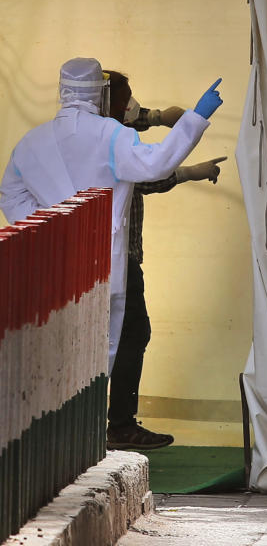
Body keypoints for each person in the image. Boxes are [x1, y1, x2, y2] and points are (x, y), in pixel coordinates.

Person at [0, 58, 222, 375]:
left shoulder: (31, 143)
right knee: (95, 362)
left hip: (49, 267)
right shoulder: (112, 135)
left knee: (51, 365)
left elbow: (10, 193)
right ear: (101, 93)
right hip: (103, 265)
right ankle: (93, 423)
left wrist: (51, 228)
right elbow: (156, 164)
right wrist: (195, 118)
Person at [102, 71, 227, 450]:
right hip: (116, 258)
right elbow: (147, 173)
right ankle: (120, 425)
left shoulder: (98, 128)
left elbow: (128, 118)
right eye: (127, 100)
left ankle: (107, 423)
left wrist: (158, 116)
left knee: (114, 338)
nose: (133, 108)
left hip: (106, 256)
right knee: (131, 334)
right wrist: (189, 170)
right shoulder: (107, 140)